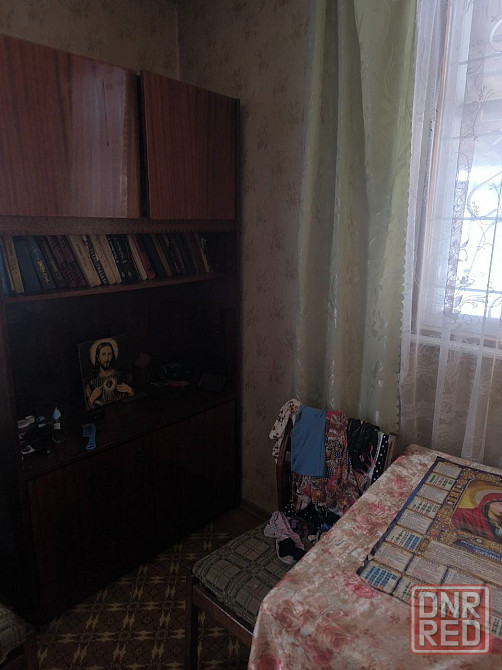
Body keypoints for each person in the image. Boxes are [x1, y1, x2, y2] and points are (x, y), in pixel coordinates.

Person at [85, 340, 134, 409]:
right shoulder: (91, 383)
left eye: (109, 354)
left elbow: (134, 400)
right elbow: (89, 409)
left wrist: (130, 390)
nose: (107, 358)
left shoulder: (122, 375)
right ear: (98, 358)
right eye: (103, 354)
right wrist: (91, 399)